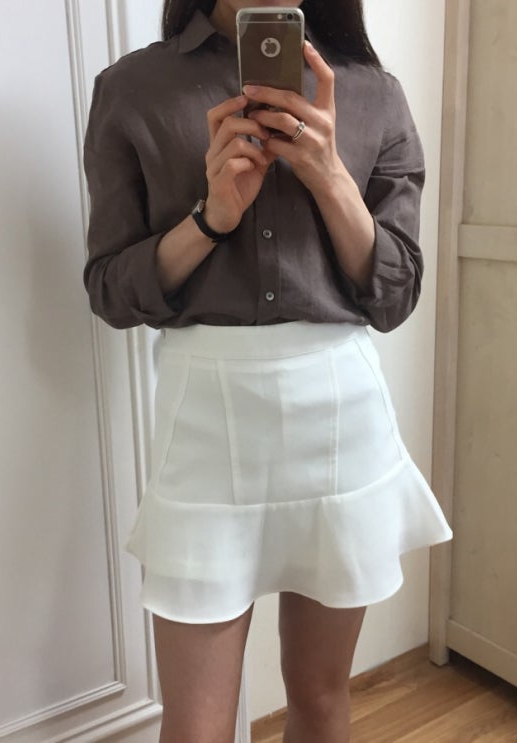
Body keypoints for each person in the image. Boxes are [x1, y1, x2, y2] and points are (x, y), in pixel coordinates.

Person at [82, 1, 453, 740]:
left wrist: (329, 176)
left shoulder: (372, 92)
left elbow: (395, 293)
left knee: (320, 698)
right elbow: (111, 291)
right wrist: (210, 218)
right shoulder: (132, 89)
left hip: (339, 413)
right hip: (204, 422)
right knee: (197, 725)